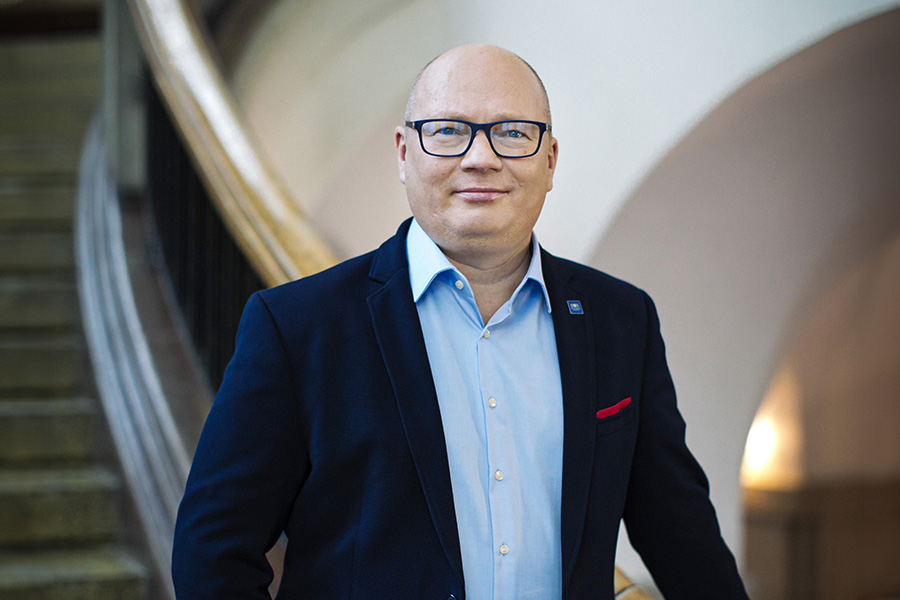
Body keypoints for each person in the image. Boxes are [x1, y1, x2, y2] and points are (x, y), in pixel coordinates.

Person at [172, 44, 750, 599]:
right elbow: (213, 552)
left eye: (513, 132)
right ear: (404, 153)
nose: (481, 158)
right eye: (448, 130)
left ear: (550, 160)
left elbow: (681, 535)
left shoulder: (621, 320)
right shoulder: (297, 326)